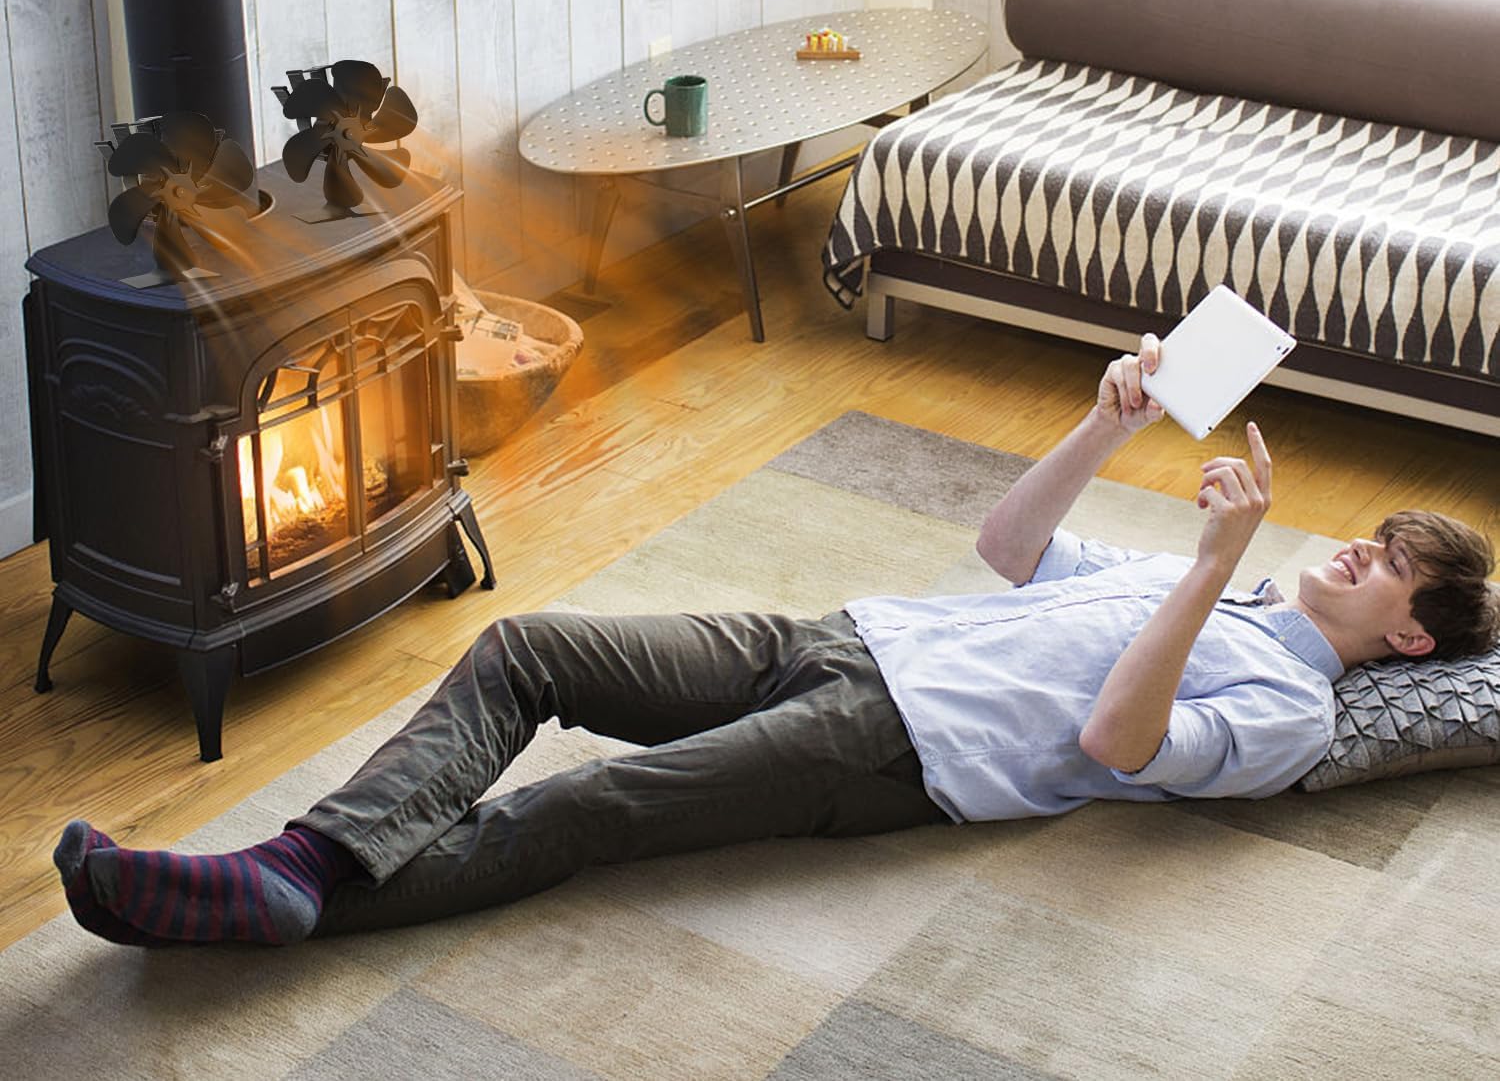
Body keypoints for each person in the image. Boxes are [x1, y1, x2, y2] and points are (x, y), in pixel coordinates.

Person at [55, 335, 1497, 948]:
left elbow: (1119, 744)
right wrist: (1104, 424)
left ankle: (290, 889)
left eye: (1395, 569)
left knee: (593, 807)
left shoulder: (1287, 710)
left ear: (1407, 641)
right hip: (843, 640)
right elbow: (1009, 550)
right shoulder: (1223, 595)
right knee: (528, 649)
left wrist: (1213, 566)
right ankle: (310, 866)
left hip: (894, 750)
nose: (1361, 551)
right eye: (1378, 534)